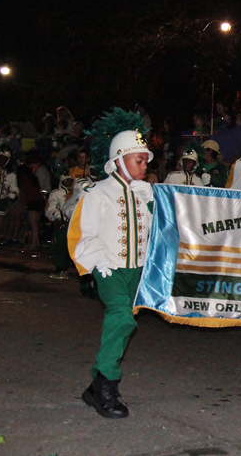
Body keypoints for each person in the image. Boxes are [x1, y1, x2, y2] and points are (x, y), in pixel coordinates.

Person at [68, 109, 154, 418]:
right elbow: (80, 232)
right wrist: (95, 259)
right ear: (119, 160)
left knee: (124, 321)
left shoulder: (146, 192)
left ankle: (96, 388)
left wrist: (153, 203)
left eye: (146, 160)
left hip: (139, 269)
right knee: (121, 315)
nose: (145, 166)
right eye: (139, 160)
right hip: (109, 267)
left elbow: (162, 232)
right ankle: (105, 383)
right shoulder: (97, 192)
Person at [46, 175, 75, 280]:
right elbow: (50, 208)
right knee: (60, 245)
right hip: (62, 223)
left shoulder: (76, 192)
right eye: (66, 180)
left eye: (71, 180)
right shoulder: (56, 193)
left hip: (74, 223)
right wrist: (59, 216)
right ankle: (60, 268)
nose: (69, 182)